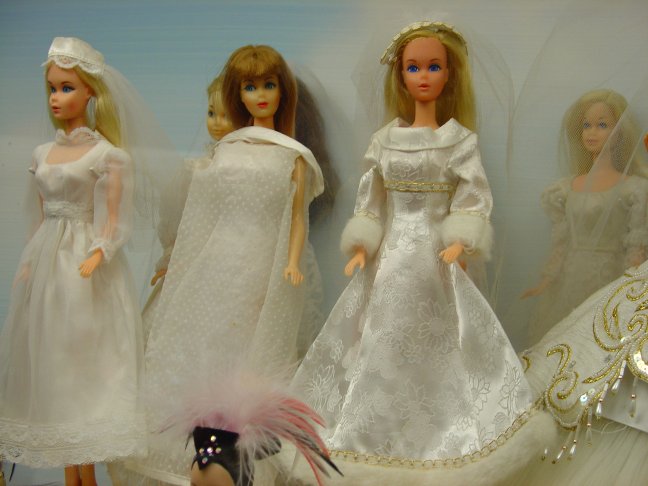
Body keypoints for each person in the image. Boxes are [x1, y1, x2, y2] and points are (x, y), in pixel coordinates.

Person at [290, 21, 545, 485]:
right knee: (378, 339)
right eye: (413, 67)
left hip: (436, 258)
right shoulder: (384, 140)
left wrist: (460, 240)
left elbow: (473, 198)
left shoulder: (459, 140)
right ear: (400, 76)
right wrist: (362, 247)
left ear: (449, 74)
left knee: (443, 346)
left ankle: (440, 441)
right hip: (390, 259)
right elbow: (370, 201)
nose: (423, 76)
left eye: (433, 67)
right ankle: (371, 440)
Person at [123, 44, 324, 485]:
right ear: (238, 93)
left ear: (283, 91)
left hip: (263, 267)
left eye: (268, 85)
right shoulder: (225, 151)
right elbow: (200, 216)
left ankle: (240, 464)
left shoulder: (292, 155)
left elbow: (297, 220)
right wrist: (179, 262)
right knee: (207, 351)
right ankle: (201, 456)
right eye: (250, 87)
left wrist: (292, 262)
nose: (260, 95)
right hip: (215, 266)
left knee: (248, 360)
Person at [0, 37, 158, 485]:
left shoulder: (109, 156)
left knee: (85, 364)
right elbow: (35, 215)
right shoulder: (41, 154)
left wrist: (99, 252)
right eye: (52, 88)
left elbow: (116, 221)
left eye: (67, 88)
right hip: (47, 267)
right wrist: (29, 262)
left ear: (91, 92)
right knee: (54, 365)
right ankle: (74, 475)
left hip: (86, 268)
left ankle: (86, 474)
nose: (56, 97)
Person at [522, 89, 648, 345]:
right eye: (586, 125)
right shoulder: (564, 190)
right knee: (562, 342)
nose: (592, 132)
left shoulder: (633, 189)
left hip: (610, 278)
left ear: (619, 132)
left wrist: (631, 290)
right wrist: (546, 280)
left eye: (602, 125)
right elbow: (561, 242)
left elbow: (636, 248)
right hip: (568, 281)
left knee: (600, 343)